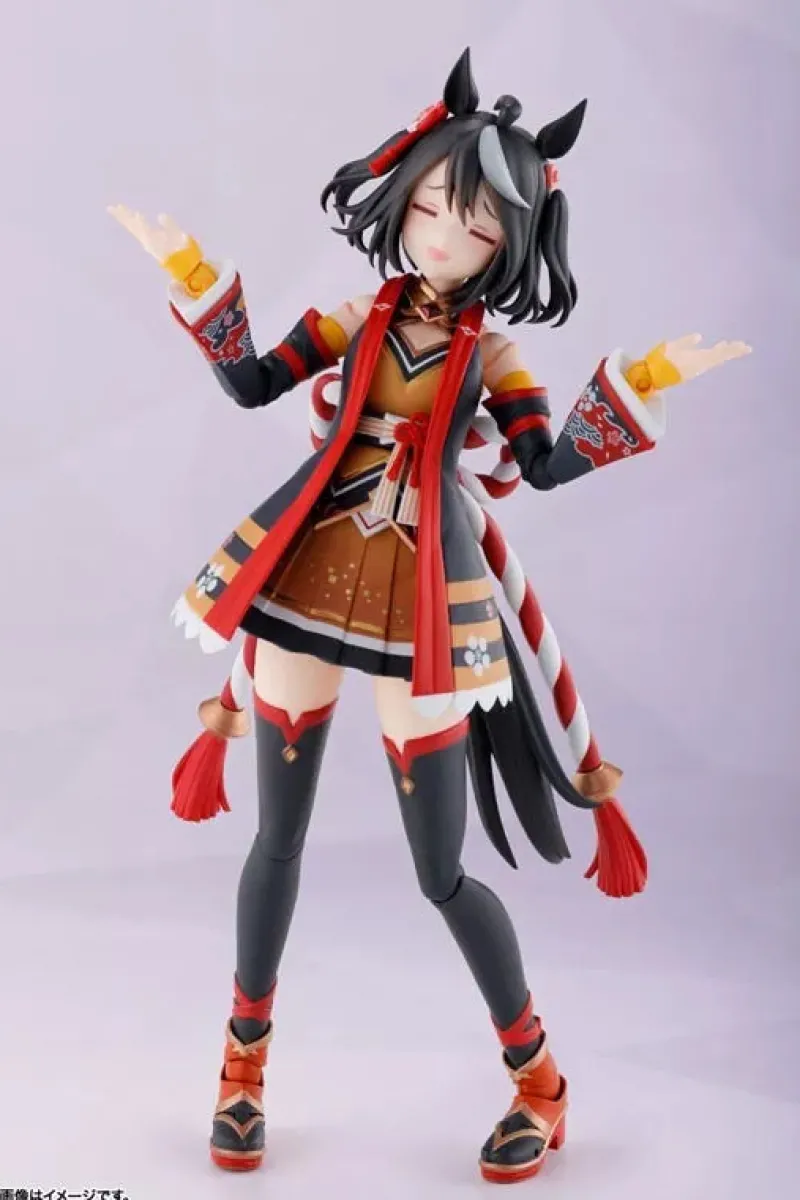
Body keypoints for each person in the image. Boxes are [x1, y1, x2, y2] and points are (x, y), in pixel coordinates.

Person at [109, 47, 749, 1185]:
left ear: (513, 242)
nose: (448, 233)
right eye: (437, 204)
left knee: (438, 872)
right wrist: (196, 276)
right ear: (405, 194)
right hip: (310, 576)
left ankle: (539, 1083)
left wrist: (640, 383)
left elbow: (540, 465)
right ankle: (242, 1070)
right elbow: (254, 384)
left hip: (425, 608)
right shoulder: (357, 314)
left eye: (481, 222)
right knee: (276, 839)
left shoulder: (492, 352)